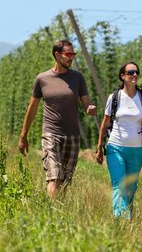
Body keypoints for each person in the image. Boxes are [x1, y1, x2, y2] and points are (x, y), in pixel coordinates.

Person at [19, 39, 97, 198]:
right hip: (51, 134)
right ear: (57, 55)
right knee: (54, 176)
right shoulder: (42, 79)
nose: (71, 58)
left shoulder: (77, 78)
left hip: (72, 135)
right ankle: (51, 216)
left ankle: (59, 215)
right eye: (68, 54)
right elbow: (32, 108)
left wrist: (90, 109)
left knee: (65, 181)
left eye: (73, 54)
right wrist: (23, 136)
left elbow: (86, 104)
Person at [95, 62, 142, 219]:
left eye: (136, 72)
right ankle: (121, 220)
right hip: (115, 147)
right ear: (123, 76)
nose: (134, 75)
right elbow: (105, 122)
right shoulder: (114, 98)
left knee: (130, 187)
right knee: (119, 185)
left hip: (136, 150)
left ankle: (126, 216)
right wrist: (99, 146)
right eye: (130, 72)